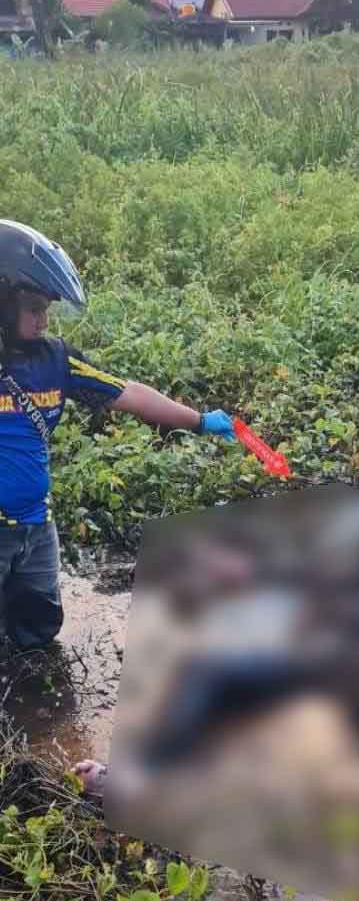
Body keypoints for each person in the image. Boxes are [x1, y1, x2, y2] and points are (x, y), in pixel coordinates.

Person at [0, 219, 236, 652]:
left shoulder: (56, 361)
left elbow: (127, 393)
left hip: (37, 527)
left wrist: (199, 420)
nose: (44, 319)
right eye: (33, 308)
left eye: (46, 308)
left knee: (38, 635)